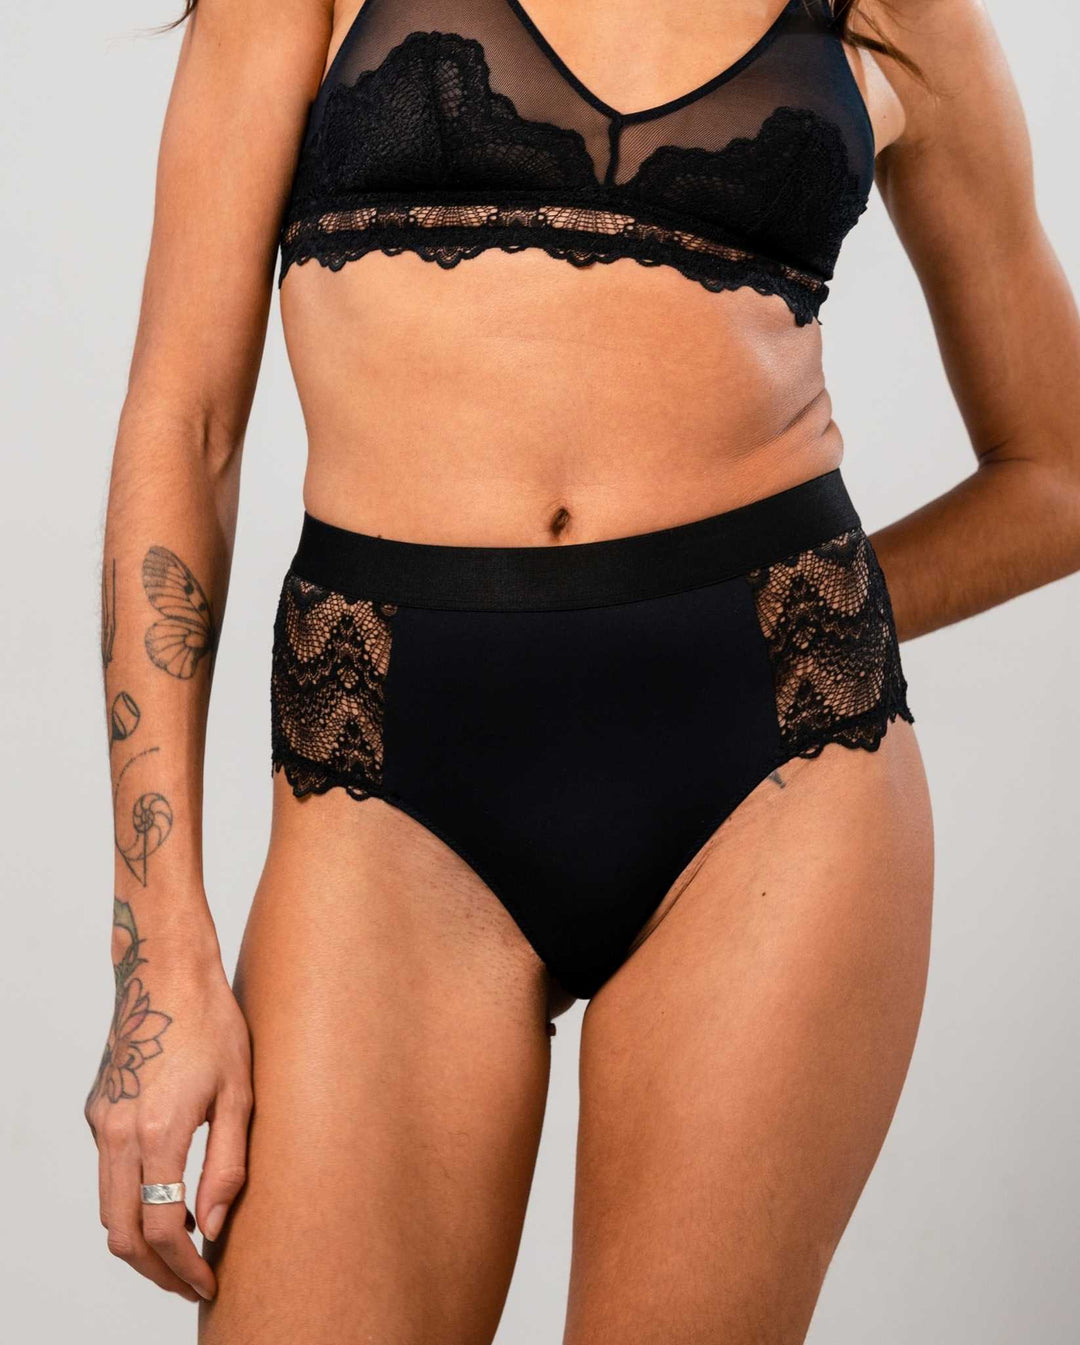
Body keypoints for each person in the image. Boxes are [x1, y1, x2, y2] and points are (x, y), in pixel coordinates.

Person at [84, 0, 1080, 1340]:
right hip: (387, 786)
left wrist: (774, 617)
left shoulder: (899, 15)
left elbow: (1060, 473)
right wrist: (157, 958)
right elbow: (186, 424)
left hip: (779, 781)